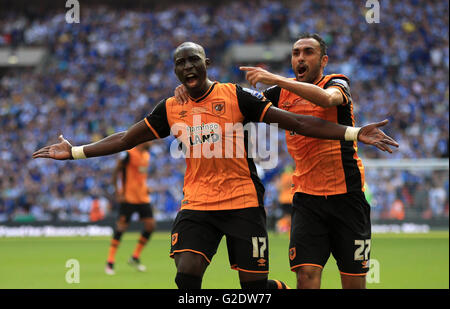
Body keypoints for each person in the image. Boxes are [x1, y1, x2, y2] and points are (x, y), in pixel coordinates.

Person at [33, 41, 398, 289]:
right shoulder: (171, 107)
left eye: (194, 60)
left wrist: (353, 133)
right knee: (187, 274)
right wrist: (76, 151)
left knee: (253, 289)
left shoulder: (236, 96)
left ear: (205, 64)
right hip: (198, 203)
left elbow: (301, 122)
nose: (188, 66)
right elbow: (127, 138)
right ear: (176, 71)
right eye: (181, 62)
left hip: (243, 201)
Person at [236, 33, 388, 289]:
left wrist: (274, 78)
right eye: (296, 53)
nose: (300, 58)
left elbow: (327, 99)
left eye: (308, 52)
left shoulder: (337, 82)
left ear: (323, 60)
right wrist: (193, 87)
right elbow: (235, 100)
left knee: (353, 283)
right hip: (307, 198)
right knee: (305, 274)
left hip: (348, 197)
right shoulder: (279, 93)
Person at [105, 141, 155, 275]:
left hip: (143, 197)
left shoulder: (147, 155)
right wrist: (117, 191)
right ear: (144, 140)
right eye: (151, 139)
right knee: (121, 228)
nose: (153, 142)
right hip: (128, 197)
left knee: (150, 225)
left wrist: (146, 188)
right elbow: (116, 171)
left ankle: (135, 257)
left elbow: (140, 176)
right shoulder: (128, 154)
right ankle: (110, 262)